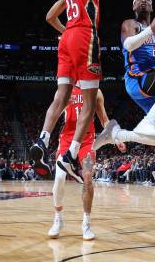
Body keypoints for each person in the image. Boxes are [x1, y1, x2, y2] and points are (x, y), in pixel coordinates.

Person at [29, 0, 121, 183]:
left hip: (67, 37)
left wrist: (63, 32)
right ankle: (71, 155)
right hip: (84, 35)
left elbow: (48, 16)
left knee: (62, 94)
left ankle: (42, 139)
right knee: (91, 98)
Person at [93, 0, 155, 150]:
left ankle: (117, 134)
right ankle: (148, 121)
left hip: (152, 86)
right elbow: (129, 45)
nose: (143, 1)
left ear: (152, 7)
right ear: (134, 7)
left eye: (147, 0)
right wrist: (152, 29)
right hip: (136, 79)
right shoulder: (130, 24)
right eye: (139, 0)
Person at [49, 85, 114, 240]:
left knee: (88, 177)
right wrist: (64, 104)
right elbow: (54, 114)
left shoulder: (96, 91)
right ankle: (58, 218)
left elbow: (104, 119)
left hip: (87, 141)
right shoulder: (64, 89)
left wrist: (115, 136)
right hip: (67, 139)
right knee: (59, 177)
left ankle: (86, 223)